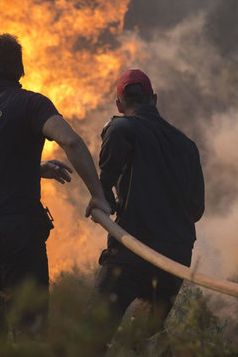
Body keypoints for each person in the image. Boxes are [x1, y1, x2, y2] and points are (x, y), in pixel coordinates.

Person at [0, 33, 110, 351]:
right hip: (14, 230)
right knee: (31, 328)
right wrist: (99, 195)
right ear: (20, 69)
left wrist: (34, 169)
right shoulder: (30, 103)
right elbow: (71, 142)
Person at [90, 69, 205, 352]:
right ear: (153, 99)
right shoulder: (187, 146)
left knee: (90, 335)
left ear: (119, 104)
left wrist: (105, 194)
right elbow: (196, 210)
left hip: (132, 252)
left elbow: (104, 183)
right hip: (175, 258)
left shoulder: (120, 128)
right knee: (142, 340)